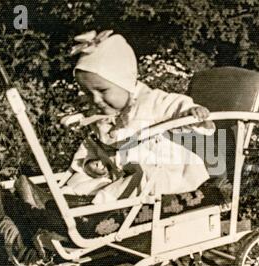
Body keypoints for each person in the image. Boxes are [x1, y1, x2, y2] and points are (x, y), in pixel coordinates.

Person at [66, 30, 216, 204]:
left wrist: (190, 111)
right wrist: (90, 163)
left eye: (102, 91)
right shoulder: (102, 117)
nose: (96, 100)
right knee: (82, 181)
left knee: (134, 181)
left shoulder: (151, 101)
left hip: (163, 173)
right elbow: (93, 145)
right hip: (120, 174)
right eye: (88, 93)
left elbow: (174, 105)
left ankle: (96, 211)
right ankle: (64, 200)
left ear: (125, 81)